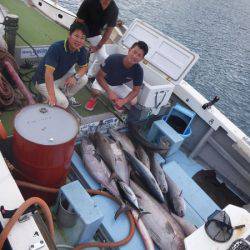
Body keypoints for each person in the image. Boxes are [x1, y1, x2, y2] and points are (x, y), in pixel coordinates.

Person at [32, 22, 89, 108]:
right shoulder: (56, 48)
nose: (79, 40)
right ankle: (50, 97)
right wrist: (52, 97)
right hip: (43, 81)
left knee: (84, 78)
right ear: (69, 35)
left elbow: (84, 68)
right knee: (63, 104)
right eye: (76, 36)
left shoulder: (81, 50)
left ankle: (64, 95)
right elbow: (48, 74)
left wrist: (75, 77)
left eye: (82, 38)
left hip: (59, 78)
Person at [85, 41, 149, 112]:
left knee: (133, 101)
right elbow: (99, 76)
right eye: (134, 52)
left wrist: (124, 101)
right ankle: (93, 99)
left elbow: (136, 91)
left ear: (142, 59)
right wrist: (109, 92)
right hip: (104, 81)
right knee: (96, 92)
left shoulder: (139, 71)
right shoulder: (114, 58)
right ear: (129, 50)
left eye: (139, 55)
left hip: (117, 85)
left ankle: (117, 103)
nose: (135, 56)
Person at [75, 0, 119, 78]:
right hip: (80, 30)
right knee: (77, 50)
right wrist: (81, 40)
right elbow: (79, 23)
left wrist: (98, 47)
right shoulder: (89, 2)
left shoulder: (114, 9)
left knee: (103, 57)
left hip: (95, 35)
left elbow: (108, 31)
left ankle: (89, 76)